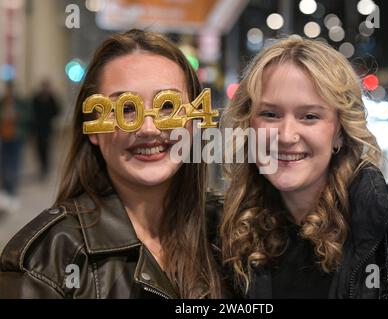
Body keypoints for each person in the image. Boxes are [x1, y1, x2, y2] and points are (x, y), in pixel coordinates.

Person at [220, 36, 388, 298]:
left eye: (310, 117)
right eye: (270, 114)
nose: (286, 136)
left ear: (340, 131)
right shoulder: (231, 233)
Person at [0, 29, 223, 298]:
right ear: (93, 129)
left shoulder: (230, 235)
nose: (149, 128)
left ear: (194, 120)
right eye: (126, 109)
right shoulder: (47, 261)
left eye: (167, 106)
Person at [0, 81, 31, 212]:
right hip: (4, 137)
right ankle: (6, 191)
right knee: (4, 165)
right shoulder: (2, 102)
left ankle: (12, 192)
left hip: (17, 136)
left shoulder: (20, 103)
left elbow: (28, 117)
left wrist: (17, 116)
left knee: (14, 165)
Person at [31, 79, 60, 180]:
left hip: (47, 128)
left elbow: (57, 110)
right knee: (39, 149)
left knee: (47, 148)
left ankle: (46, 167)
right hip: (38, 129)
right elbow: (32, 112)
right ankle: (42, 166)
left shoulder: (51, 98)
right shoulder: (36, 98)